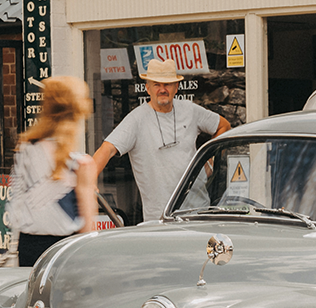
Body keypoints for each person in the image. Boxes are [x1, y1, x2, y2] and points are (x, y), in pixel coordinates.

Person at [92, 57, 231, 223]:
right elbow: (107, 149)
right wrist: (89, 181)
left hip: (198, 213)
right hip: (160, 219)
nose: (162, 89)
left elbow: (224, 126)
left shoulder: (190, 110)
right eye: (157, 84)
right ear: (148, 88)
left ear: (176, 87)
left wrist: (209, 161)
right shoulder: (136, 119)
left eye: (167, 84)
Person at [8, 76, 99, 267]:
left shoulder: (25, 150)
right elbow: (87, 227)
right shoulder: (80, 164)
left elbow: (15, 205)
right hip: (66, 250)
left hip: (28, 246)